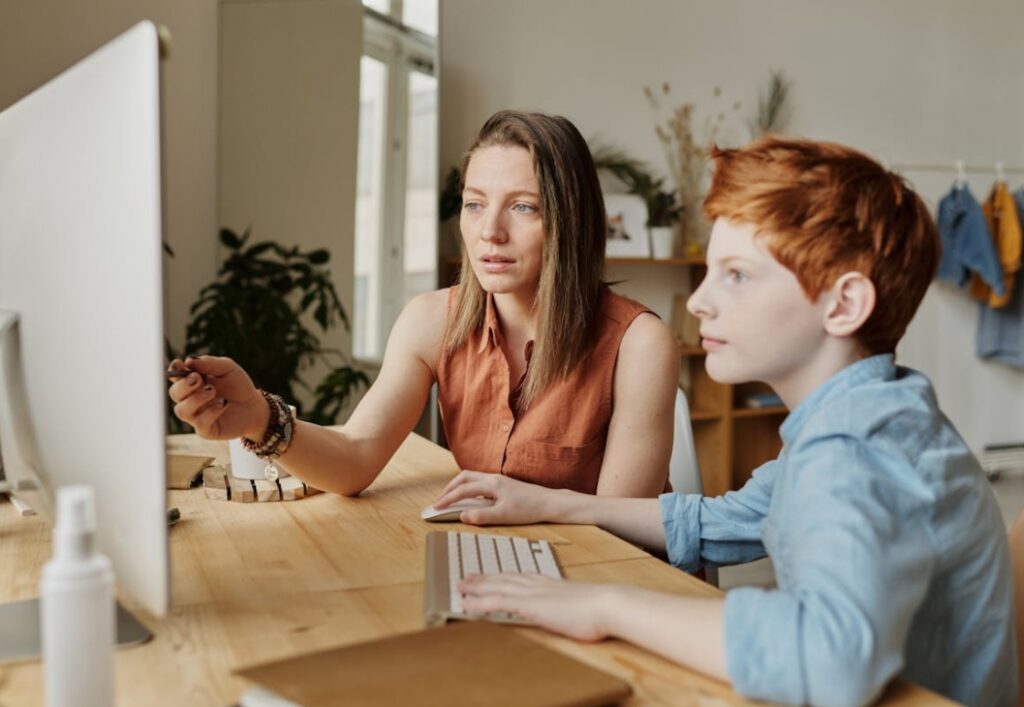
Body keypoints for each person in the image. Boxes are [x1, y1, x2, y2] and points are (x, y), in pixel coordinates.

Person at [432, 137, 1019, 707]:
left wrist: (603, 606)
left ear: (843, 305)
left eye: (735, 275)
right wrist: (550, 503)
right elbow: (723, 520)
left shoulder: (856, 448)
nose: (698, 302)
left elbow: (828, 658)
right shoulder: (871, 414)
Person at [168, 110, 678, 498]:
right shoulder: (432, 320)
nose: (489, 232)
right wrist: (259, 417)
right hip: (503, 568)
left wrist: (520, 509)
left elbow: (621, 533)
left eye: (524, 207)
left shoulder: (639, 344)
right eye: (475, 203)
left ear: (572, 222)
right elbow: (355, 458)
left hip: (606, 586)